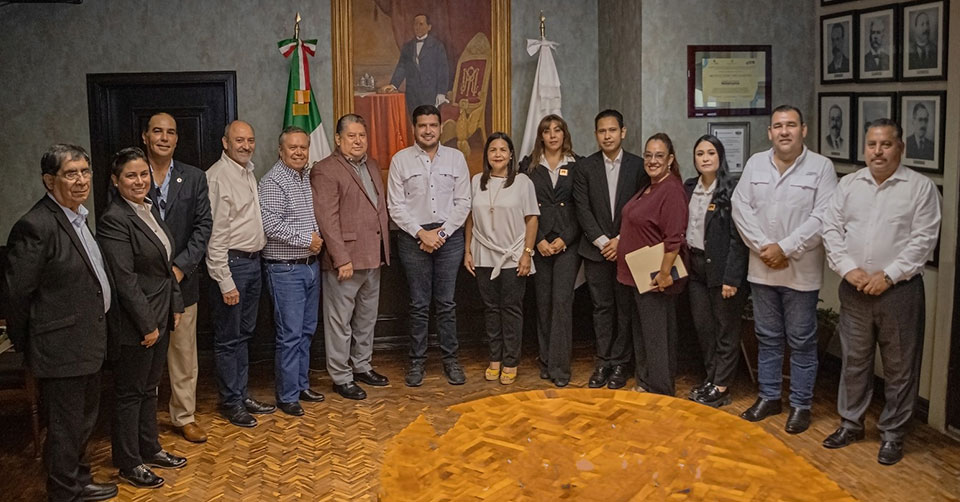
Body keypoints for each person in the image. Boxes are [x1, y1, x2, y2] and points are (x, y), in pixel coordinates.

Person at [821, 118, 941, 465]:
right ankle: (851, 424)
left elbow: (923, 240)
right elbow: (831, 230)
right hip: (855, 288)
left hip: (899, 292)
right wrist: (848, 269)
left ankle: (892, 434)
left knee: (900, 367)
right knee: (854, 362)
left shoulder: (919, 188)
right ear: (865, 148)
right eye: (872, 144)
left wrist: (888, 276)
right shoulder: (849, 185)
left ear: (900, 148)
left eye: (886, 144)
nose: (878, 151)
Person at [3, 144, 118, 502]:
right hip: (60, 347)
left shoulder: (78, 218)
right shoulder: (36, 225)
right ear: (49, 181)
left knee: (82, 421)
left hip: (87, 341)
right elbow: (17, 295)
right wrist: (30, 345)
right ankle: (63, 491)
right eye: (71, 173)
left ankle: (78, 480)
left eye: (85, 171)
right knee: (65, 426)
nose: (81, 180)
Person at [732, 105, 838, 434]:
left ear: (803, 130)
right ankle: (769, 397)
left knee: (802, 341)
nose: (784, 131)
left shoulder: (821, 167)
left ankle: (801, 405)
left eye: (791, 125)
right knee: (767, 337)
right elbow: (740, 207)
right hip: (762, 268)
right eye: (778, 126)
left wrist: (785, 248)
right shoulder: (755, 163)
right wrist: (766, 247)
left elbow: (823, 217)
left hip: (800, 273)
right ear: (770, 132)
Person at [97, 147, 186, 489]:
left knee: (150, 388)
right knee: (130, 393)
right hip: (136, 323)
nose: (139, 181)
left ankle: (150, 448)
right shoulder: (114, 219)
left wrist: (175, 305)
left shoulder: (148, 209)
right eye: (130, 175)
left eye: (143, 174)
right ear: (115, 180)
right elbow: (125, 280)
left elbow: (165, 266)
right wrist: (147, 324)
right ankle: (128, 462)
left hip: (161, 314)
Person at [387, 104, 470, 387]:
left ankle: (451, 361)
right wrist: (422, 234)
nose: (428, 130)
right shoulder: (400, 160)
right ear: (414, 128)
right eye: (422, 125)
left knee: (446, 303)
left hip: (450, 238)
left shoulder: (456, 158)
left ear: (440, 127)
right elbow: (395, 206)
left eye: (433, 125)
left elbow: (464, 203)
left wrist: (440, 235)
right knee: (419, 304)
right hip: (413, 240)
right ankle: (417, 362)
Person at [142, 112, 213, 443]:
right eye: (157, 131)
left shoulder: (194, 177)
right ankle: (145, 421)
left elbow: (203, 227)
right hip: (144, 285)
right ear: (145, 137)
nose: (164, 137)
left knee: (184, 354)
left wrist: (180, 267)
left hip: (183, 281)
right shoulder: (132, 173)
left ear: (177, 139)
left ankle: (184, 416)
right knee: (146, 355)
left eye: (170, 132)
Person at [313, 114, 392, 400]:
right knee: (340, 322)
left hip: (373, 256)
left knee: (366, 320)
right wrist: (340, 258)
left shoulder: (371, 165)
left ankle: (362, 366)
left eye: (362, 135)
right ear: (338, 139)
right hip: (345, 261)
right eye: (351, 136)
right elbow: (327, 219)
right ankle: (341, 376)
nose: (358, 141)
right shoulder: (325, 170)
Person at [206, 120, 276, 427]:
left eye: (250, 140)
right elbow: (214, 237)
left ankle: (241, 393)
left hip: (252, 264)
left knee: (244, 335)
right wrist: (224, 280)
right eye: (239, 140)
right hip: (231, 266)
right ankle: (230, 402)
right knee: (228, 339)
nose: (246, 146)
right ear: (225, 143)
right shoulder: (218, 178)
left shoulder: (247, 172)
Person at [573, 109, 648, 389]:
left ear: (623, 132)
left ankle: (621, 363)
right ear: (596, 135)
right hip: (596, 252)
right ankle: (603, 361)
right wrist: (604, 242)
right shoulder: (584, 167)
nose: (607, 136)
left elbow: (641, 208)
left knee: (624, 309)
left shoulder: (639, 167)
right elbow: (582, 209)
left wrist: (620, 240)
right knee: (601, 309)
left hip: (627, 251)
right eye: (602, 131)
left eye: (612, 130)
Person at [258, 125, 326, 415]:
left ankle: (301, 385)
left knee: (306, 331)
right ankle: (287, 396)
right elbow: (270, 225)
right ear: (280, 150)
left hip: (310, 267)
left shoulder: (305, 177)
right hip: (285, 270)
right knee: (289, 335)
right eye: (293, 147)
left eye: (303, 147)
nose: (299, 152)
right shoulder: (273, 181)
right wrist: (306, 239)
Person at [616, 133, 688, 396]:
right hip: (637, 276)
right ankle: (645, 382)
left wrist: (664, 273)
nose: (652, 160)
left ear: (670, 159)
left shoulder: (672, 190)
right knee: (643, 333)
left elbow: (674, 238)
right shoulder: (649, 187)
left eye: (659, 156)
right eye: (648, 155)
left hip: (656, 277)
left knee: (657, 336)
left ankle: (660, 391)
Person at [464, 132, 539, 384]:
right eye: (493, 150)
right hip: (483, 253)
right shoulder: (476, 181)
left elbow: (532, 219)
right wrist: (467, 250)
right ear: (487, 155)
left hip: (514, 255)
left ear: (510, 154)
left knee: (511, 309)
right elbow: (470, 218)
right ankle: (494, 358)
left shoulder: (522, 182)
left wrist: (527, 253)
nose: (498, 154)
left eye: (503, 149)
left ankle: (510, 360)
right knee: (491, 309)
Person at [684, 135, 749, 408]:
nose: (705, 158)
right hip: (695, 269)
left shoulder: (732, 190)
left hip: (723, 272)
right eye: (700, 153)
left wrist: (732, 278)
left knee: (725, 330)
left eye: (711, 153)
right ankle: (711, 379)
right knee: (704, 328)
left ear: (720, 157)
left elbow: (739, 239)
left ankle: (721, 386)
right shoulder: (689, 188)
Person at [518, 114, 582, 387]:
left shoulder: (578, 164)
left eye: (557, 130)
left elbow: (582, 207)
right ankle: (545, 360)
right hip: (540, 242)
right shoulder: (529, 166)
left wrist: (565, 239)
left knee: (562, 302)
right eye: (547, 131)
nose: (553, 135)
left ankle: (560, 367)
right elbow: (523, 206)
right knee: (543, 302)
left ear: (564, 133)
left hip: (568, 243)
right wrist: (539, 240)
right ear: (541, 136)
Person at [382, 13, 450, 115]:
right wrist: (393, 85)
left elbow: (443, 70)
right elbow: (401, 67)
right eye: (415, 24)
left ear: (429, 27)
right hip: (412, 94)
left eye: (421, 24)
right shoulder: (407, 47)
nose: (417, 27)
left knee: (428, 119)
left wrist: (441, 92)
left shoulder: (437, 46)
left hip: (430, 94)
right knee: (414, 120)